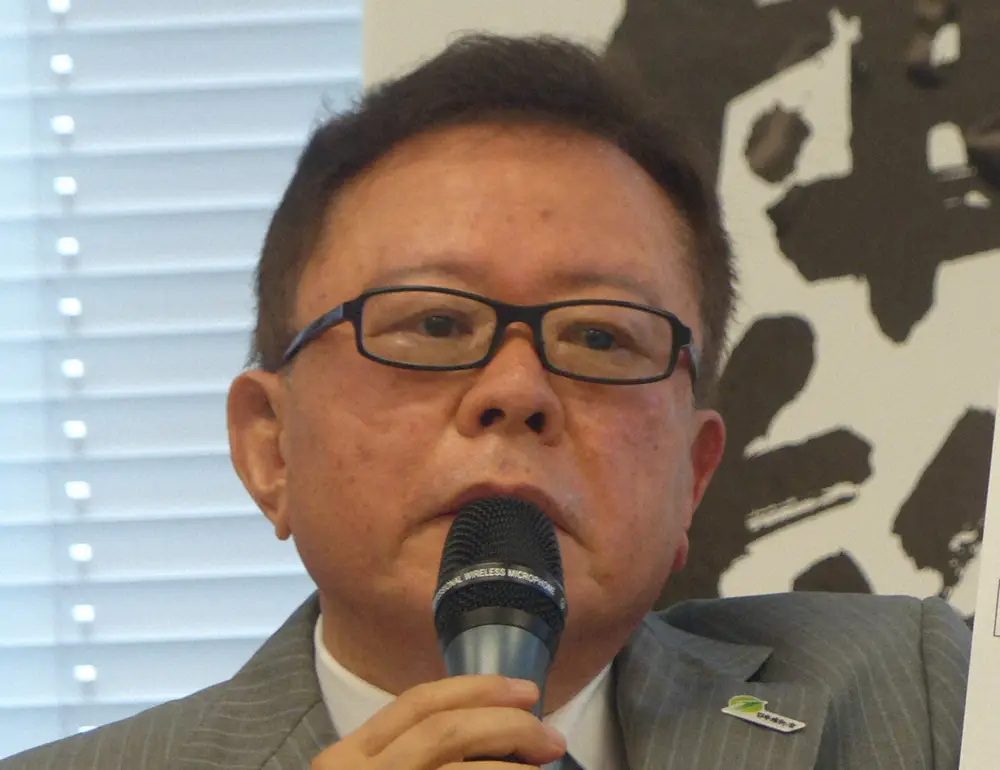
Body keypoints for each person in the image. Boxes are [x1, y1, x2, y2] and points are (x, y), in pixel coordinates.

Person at [2, 34, 971, 770]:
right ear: (270, 447)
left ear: (694, 471)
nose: (516, 391)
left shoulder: (919, 697)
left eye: (600, 338)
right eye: (433, 324)